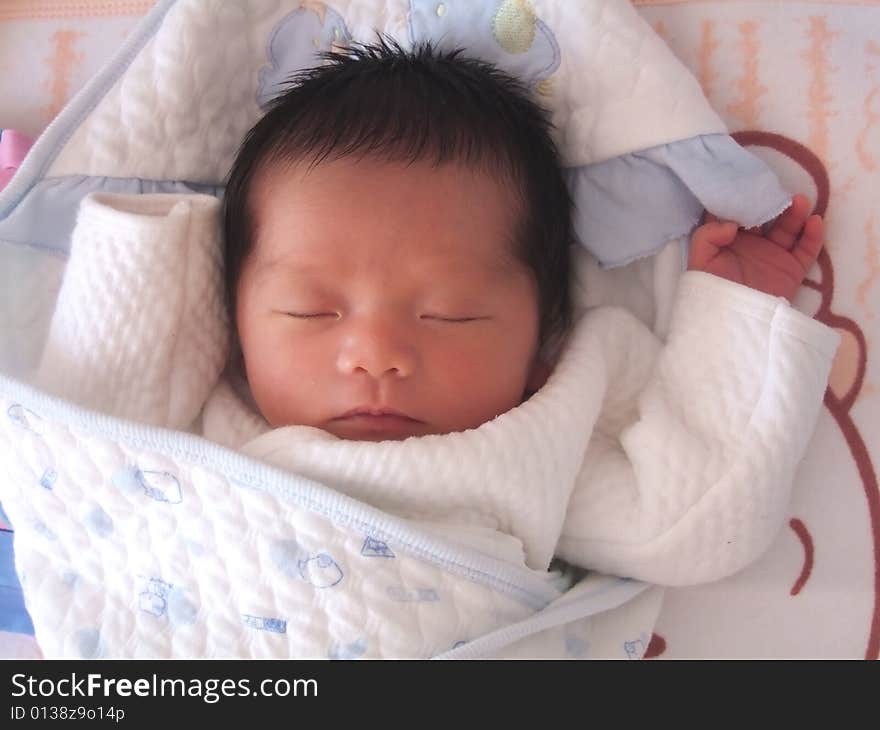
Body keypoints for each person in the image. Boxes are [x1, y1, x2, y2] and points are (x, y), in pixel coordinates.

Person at [36, 40, 839, 584]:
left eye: (453, 315)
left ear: (540, 344)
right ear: (232, 318)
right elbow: (69, 459)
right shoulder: (210, 424)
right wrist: (152, 245)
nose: (376, 354)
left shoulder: (535, 445)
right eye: (311, 311)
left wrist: (736, 309)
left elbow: (696, 521)